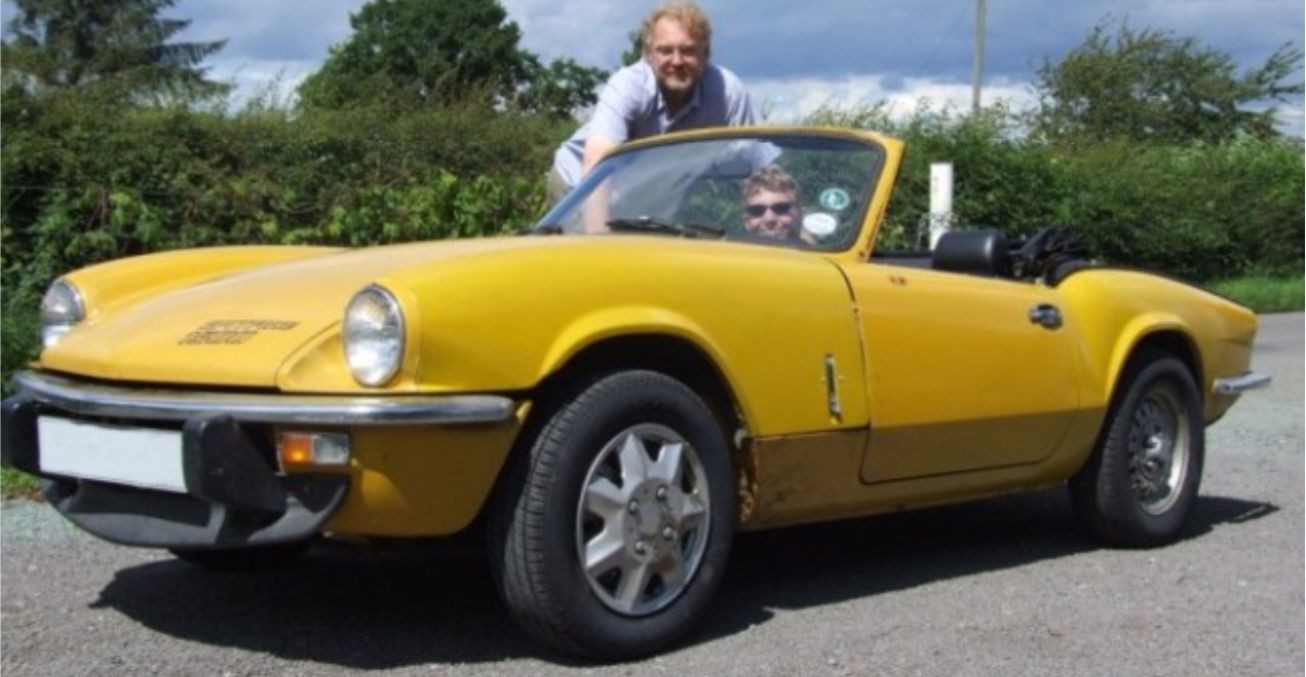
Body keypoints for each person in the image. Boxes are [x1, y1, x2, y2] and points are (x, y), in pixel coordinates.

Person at [549, 1, 757, 204]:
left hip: (647, 190)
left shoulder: (727, 92)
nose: (676, 61)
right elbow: (597, 162)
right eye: (665, 50)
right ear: (648, 55)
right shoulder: (628, 85)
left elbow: (759, 160)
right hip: (579, 182)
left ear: (705, 54)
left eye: (688, 50)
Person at [741, 165, 804, 241]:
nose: (769, 219)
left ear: (800, 213)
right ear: (746, 221)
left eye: (781, 208)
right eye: (757, 211)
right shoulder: (729, 248)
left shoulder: (815, 249)